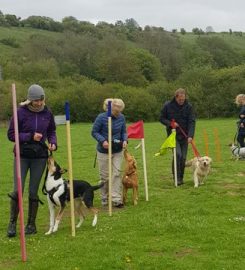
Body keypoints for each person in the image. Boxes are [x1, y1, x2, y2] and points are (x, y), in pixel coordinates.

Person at [7, 84, 57, 237]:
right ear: (30, 100)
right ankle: (13, 223)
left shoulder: (47, 113)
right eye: (37, 101)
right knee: (18, 190)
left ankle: (31, 224)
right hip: (22, 155)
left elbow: (51, 130)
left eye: (42, 100)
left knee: (33, 191)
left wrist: (53, 142)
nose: (40, 103)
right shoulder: (20, 112)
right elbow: (11, 135)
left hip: (40, 156)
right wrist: (29, 136)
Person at [92, 98, 127, 208]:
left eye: (119, 111)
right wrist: (103, 141)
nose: (118, 114)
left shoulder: (122, 117)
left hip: (117, 149)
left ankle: (116, 198)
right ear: (111, 108)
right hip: (103, 151)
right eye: (116, 111)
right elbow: (94, 132)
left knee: (116, 174)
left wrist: (125, 140)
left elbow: (124, 132)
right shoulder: (101, 117)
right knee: (105, 176)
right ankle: (104, 196)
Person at [160, 88, 195, 185]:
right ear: (176, 97)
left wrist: (190, 136)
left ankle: (181, 178)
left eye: (183, 100)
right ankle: (176, 178)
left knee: (183, 158)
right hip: (173, 136)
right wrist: (170, 123)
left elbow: (192, 122)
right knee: (177, 155)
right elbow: (161, 118)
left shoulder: (189, 106)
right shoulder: (168, 105)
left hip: (185, 136)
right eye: (180, 100)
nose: (181, 101)